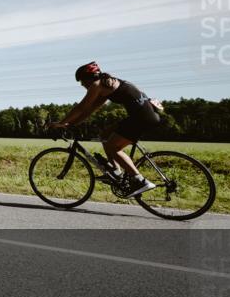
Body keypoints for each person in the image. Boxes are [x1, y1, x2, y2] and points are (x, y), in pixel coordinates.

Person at [51, 62, 162, 198]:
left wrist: (61, 123)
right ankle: (116, 171)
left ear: (89, 78)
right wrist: (71, 124)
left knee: (113, 147)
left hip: (141, 118)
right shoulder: (107, 85)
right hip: (146, 115)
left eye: (82, 81)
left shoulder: (97, 85)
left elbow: (81, 107)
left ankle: (139, 180)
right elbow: (90, 110)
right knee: (105, 134)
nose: (82, 85)